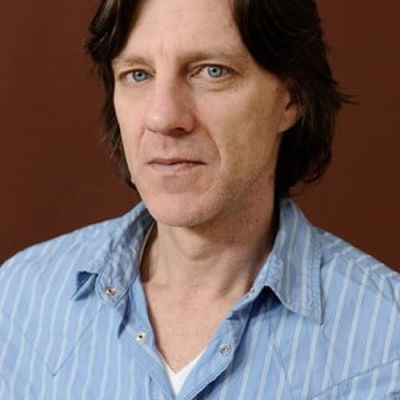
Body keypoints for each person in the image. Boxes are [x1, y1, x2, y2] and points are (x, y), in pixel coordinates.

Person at [1, 0, 399, 398]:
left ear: (291, 97)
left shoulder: (387, 342)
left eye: (212, 71)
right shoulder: (18, 302)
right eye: (138, 74)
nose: (162, 118)